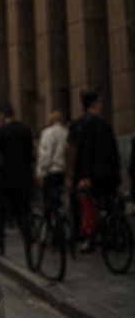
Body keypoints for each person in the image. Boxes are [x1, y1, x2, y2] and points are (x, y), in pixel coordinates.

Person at [67, 91, 121, 252]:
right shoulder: (103, 123)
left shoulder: (83, 123)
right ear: (94, 104)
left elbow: (84, 152)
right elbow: (112, 151)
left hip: (92, 175)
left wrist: (84, 176)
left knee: (88, 207)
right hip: (107, 174)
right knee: (107, 206)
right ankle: (111, 237)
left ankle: (91, 238)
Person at [0, 102, 34, 252]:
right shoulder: (25, 129)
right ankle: (28, 240)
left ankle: (0, 244)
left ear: (2, 115)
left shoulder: (0, 132)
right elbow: (30, 153)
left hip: (6, 179)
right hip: (23, 178)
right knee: (23, 212)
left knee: (0, 212)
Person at [35, 110, 68, 226]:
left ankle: (51, 228)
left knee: (49, 202)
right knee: (59, 200)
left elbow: (46, 154)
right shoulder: (65, 132)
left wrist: (40, 172)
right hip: (62, 171)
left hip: (51, 171)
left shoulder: (48, 133)